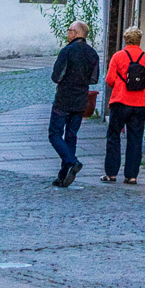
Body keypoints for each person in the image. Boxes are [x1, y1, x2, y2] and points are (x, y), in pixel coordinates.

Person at [102, 26, 145, 185]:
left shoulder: (118, 56)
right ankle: (131, 176)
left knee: (114, 136)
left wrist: (121, 84)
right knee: (135, 139)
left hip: (120, 101)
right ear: (140, 40)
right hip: (141, 103)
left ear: (125, 40)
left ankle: (111, 173)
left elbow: (109, 79)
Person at [48, 20, 99, 187]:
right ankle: (63, 175)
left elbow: (57, 76)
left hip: (64, 98)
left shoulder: (67, 51)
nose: (68, 33)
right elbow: (94, 78)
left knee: (54, 134)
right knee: (71, 135)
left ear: (76, 33)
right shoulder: (93, 54)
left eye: (70, 30)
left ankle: (71, 161)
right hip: (81, 99)